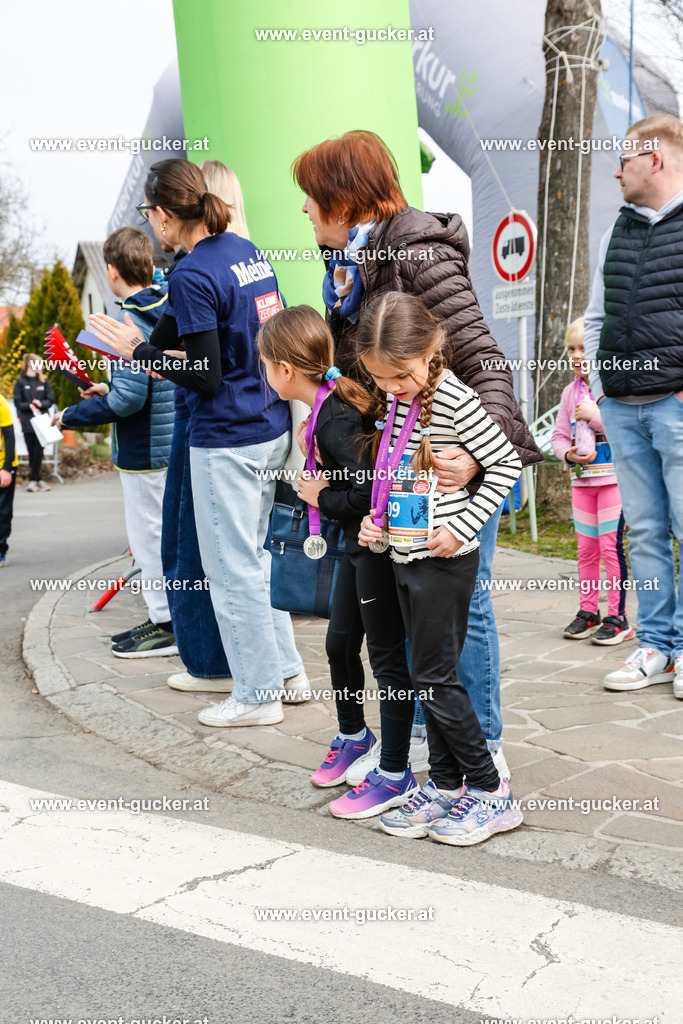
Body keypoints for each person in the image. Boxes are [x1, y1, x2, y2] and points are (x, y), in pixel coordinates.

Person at [293, 130, 543, 779]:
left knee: (463, 605)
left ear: (342, 198)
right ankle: (441, 749)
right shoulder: (351, 269)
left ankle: (483, 747)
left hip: (454, 467)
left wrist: (476, 453)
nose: (304, 210)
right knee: (415, 608)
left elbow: (484, 359)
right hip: (406, 473)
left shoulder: (415, 252)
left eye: (311, 197)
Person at [90, 158, 308, 726]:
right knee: (257, 560)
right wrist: (143, 344)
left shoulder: (191, 273)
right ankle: (287, 675)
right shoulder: (246, 253)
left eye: (149, 212)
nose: (150, 223)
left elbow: (205, 375)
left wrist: (142, 354)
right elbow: (179, 330)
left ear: (164, 214)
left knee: (232, 569)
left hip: (227, 439)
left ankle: (256, 695)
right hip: (267, 424)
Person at [356, 292, 523, 845]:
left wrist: (463, 527)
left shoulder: (453, 397)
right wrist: (379, 524)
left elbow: (505, 464)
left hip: (444, 560)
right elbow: (401, 473)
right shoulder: (400, 401)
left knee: (435, 679)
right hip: (406, 554)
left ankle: (491, 791)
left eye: (400, 375)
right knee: (425, 677)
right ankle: (447, 786)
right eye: (380, 378)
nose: (390, 387)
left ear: (431, 352)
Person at [258, 304, 419, 819]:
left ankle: (393, 770)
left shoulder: (335, 419)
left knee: (385, 660)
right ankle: (354, 735)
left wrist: (318, 496)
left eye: (265, 364)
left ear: (285, 369)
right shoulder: (326, 411)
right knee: (338, 645)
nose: (264, 373)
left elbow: (371, 494)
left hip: (373, 549)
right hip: (356, 547)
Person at [583, 113, 683, 699]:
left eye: (625, 159)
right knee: (644, 532)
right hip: (623, 409)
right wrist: (601, 392)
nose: (617, 171)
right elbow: (596, 318)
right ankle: (656, 646)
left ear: (657, 159)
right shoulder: (614, 233)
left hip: (674, 408)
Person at [57, 227, 177, 657]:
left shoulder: (128, 319)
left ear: (111, 271)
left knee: (148, 540)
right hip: (167, 444)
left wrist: (70, 415)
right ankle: (168, 617)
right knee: (164, 538)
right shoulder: (162, 306)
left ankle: (165, 624)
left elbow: (129, 401)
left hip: (143, 451)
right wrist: (106, 388)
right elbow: (142, 385)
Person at [551, 318, 633, 646]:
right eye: (571, 349)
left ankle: (618, 617)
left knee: (610, 548)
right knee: (586, 549)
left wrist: (595, 416)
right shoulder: (569, 393)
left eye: (584, 348)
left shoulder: (614, 388)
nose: (576, 355)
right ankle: (588, 611)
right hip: (582, 483)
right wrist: (567, 454)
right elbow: (559, 436)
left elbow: (626, 430)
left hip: (614, 481)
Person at [13, 354, 55, 492]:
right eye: (39, 363)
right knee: (32, 452)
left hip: (42, 423)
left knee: (39, 452)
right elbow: (18, 403)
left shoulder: (44, 381)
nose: (42, 366)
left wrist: (41, 404)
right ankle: (37, 480)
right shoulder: (20, 382)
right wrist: (29, 406)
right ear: (30, 364)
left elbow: (50, 400)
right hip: (27, 423)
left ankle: (33, 480)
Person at [0, 393, 17, 567]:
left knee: (2, 511)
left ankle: (0, 550)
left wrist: (6, 468)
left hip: (2, 465)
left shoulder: (0, 402)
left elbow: (9, 436)